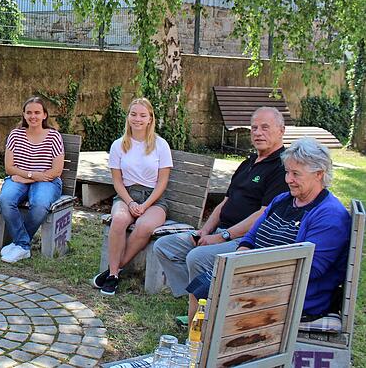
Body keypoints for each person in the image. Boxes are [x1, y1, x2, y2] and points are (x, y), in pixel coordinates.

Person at [186, 137, 351, 320]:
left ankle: (212, 344)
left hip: (292, 295)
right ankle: (197, 342)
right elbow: (250, 237)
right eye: (287, 172)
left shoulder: (330, 216)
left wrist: (249, 275)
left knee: (214, 292)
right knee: (200, 286)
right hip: (258, 277)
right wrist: (240, 260)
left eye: (296, 174)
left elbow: (308, 270)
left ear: (319, 174)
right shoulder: (283, 200)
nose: (288, 179)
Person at [153, 106, 289, 320]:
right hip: (219, 231)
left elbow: (263, 214)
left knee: (197, 258)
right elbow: (225, 202)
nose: (258, 133)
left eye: (265, 127)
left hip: (245, 240)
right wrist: (204, 231)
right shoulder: (248, 162)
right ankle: (196, 301)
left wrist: (221, 236)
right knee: (164, 246)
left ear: (281, 131)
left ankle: (205, 313)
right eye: (254, 128)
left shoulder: (282, 168)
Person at [93, 98, 173, 295]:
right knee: (119, 220)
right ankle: (113, 275)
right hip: (126, 195)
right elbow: (117, 182)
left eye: (142, 115)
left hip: (153, 198)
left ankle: (114, 271)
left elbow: (162, 182)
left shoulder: (161, 145)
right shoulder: (118, 145)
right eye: (133, 114)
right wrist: (129, 202)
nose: (137, 119)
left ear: (150, 119)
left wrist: (145, 205)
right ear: (128, 117)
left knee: (144, 226)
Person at [0, 97, 65, 263]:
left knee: (40, 204)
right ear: (24, 115)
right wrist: (31, 176)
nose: (33, 116)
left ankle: (20, 244)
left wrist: (27, 177)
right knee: (5, 200)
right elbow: (9, 167)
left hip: (47, 181)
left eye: (37, 112)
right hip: (22, 178)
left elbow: (56, 170)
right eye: (29, 112)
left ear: (44, 115)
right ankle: (23, 244)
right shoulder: (15, 135)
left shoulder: (54, 137)